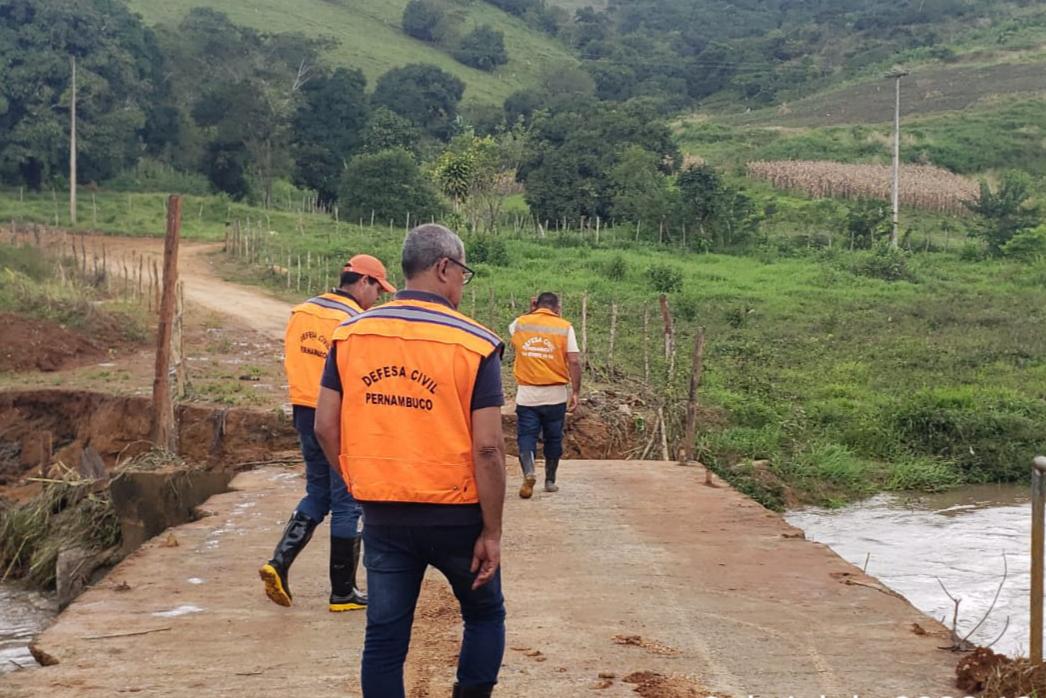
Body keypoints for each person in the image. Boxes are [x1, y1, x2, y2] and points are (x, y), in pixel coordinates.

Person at [315, 224, 507, 698]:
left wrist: (357, 481)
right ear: (444, 267)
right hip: (458, 518)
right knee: (484, 614)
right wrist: (492, 531)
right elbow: (487, 448)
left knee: (384, 638)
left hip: (383, 513)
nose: (463, 283)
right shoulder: (475, 343)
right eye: (463, 272)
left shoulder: (350, 335)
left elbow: (324, 426)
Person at [259, 254, 395, 612]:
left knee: (318, 493)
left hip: (305, 414)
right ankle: (342, 591)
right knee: (348, 499)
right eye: (378, 289)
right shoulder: (353, 321)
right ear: (363, 281)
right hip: (340, 418)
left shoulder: (300, 312)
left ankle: (279, 563)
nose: (377, 298)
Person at [508, 292, 581, 498]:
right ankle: (550, 481)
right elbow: (574, 361)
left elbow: (514, 329)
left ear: (536, 304)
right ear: (557, 307)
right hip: (555, 395)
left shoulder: (520, 323)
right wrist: (575, 392)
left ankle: (529, 472)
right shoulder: (565, 327)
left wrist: (531, 311)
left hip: (527, 395)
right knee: (553, 438)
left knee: (526, 436)